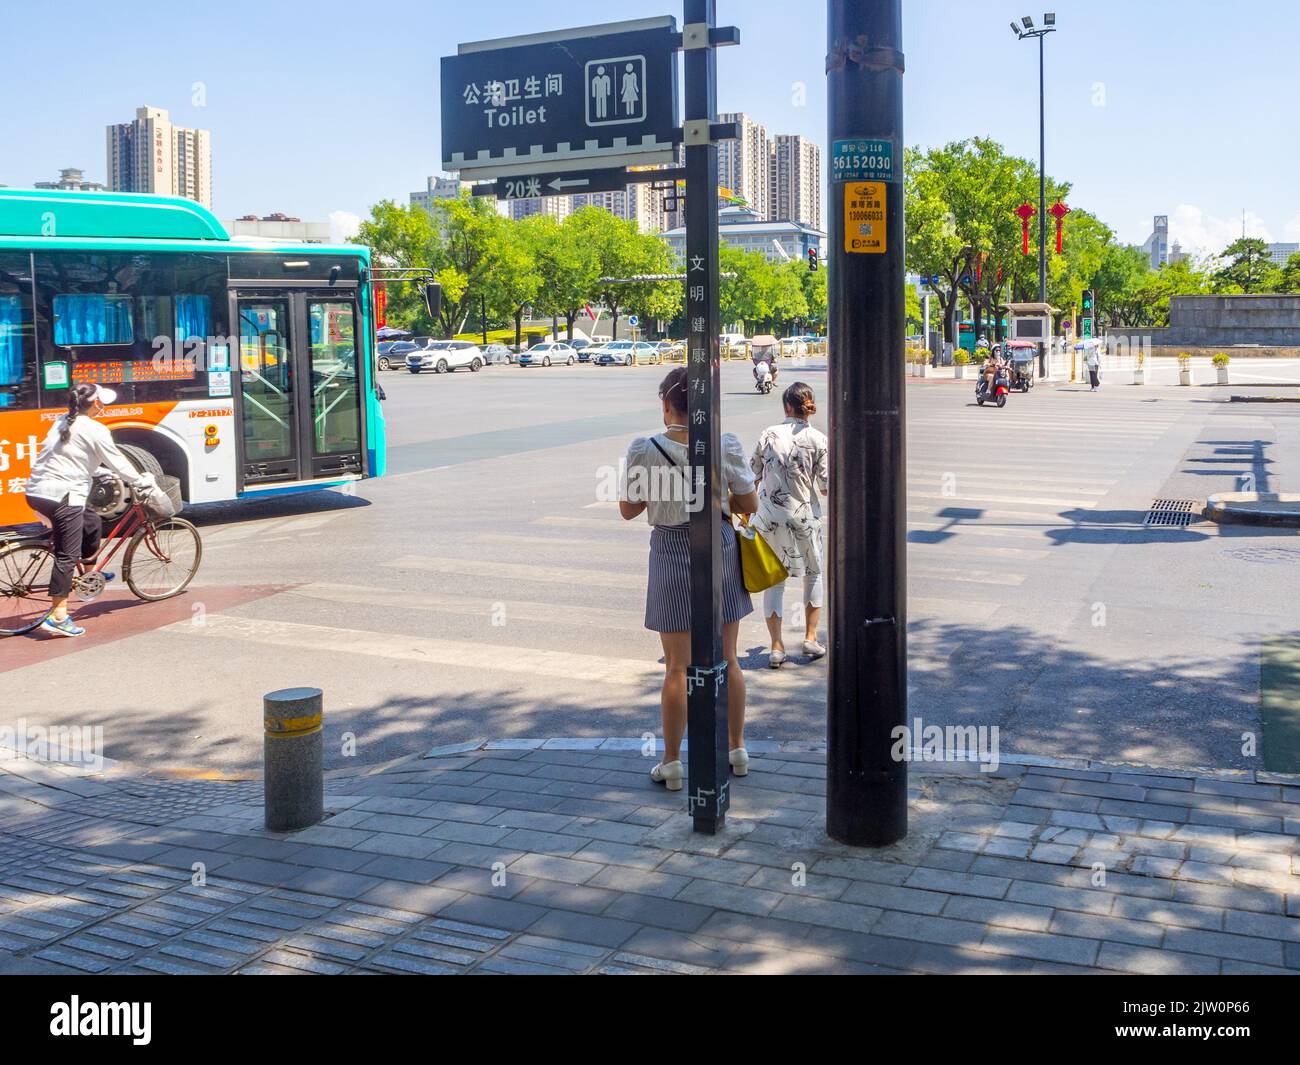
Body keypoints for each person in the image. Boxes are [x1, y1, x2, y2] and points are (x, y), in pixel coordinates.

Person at [619, 367, 759, 790]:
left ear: (666, 406)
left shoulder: (644, 448)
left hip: (670, 549)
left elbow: (628, 509)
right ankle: (736, 749)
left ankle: (672, 761)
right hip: (718, 545)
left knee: (676, 667)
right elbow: (748, 502)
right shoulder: (724, 442)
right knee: (729, 657)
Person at [23, 383, 154, 637]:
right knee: (66, 555)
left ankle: (91, 575)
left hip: (37, 493)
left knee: (92, 521)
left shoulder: (63, 421)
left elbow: (68, 457)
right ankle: (59, 617)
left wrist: (99, 472)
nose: (103, 406)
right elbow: (118, 461)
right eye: (102, 402)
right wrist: (141, 480)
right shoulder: (95, 429)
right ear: (96, 404)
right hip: (62, 496)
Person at [750, 382, 830, 666]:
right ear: (808, 407)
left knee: (776, 582)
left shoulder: (769, 434)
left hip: (771, 516)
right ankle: (810, 638)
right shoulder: (819, 439)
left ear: (786, 406)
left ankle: (776, 646)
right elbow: (825, 486)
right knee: (814, 574)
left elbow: (754, 473)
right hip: (804, 516)